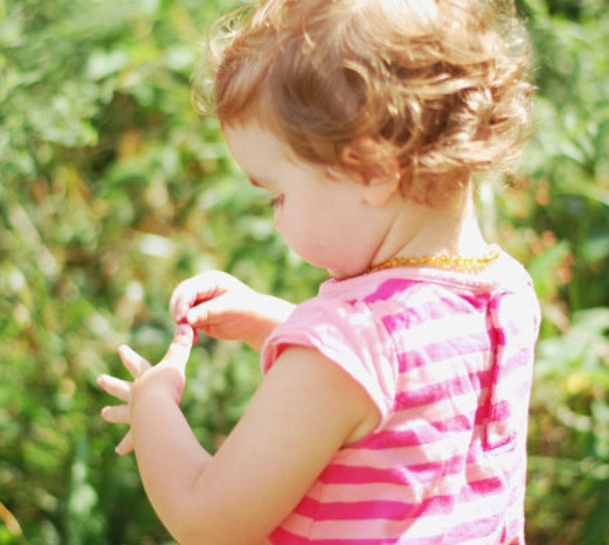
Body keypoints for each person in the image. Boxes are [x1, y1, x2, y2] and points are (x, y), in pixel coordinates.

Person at [97, 0, 540, 543]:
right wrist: (277, 324)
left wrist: (153, 404)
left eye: (277, 196)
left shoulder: (345, 347)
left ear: (373, 169)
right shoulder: (507, 295)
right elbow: (405, 382)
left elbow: (206, 519)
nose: (277, 222)